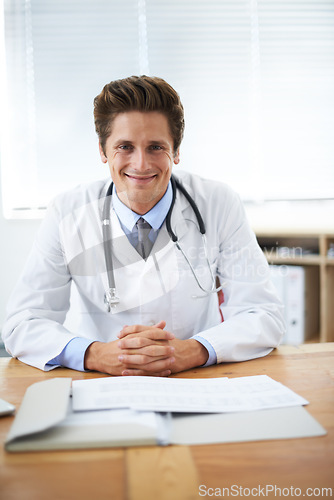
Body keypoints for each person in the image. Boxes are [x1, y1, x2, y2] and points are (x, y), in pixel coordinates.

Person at [2, 75, 284, 376]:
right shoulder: (67, 212)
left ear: (175, 151)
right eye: (125, 146)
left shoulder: (218, 203)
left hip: (197, 378)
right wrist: (94, 354)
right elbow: (23, 323)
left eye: (155, 147)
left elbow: (263, 314)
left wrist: (195, 349)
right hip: (99, 381)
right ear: (102, 150)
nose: (140, 164)